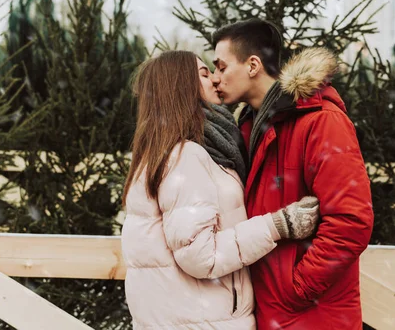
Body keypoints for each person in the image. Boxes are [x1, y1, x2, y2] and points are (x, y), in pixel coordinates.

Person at [120, 50, 320, 330]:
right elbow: (201, 257)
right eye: (203, 74)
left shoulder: (164, 153)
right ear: (181, 86)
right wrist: (278, 225)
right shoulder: (185, 155)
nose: (215, 80)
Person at [212, 19, 374, 329]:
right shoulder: (247, 128)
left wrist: (297, 288)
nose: (217, 78)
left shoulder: (321, 122)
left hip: (311, 316)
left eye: (221, 67)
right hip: (267, 312)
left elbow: (351, 222)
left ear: (253, 65)